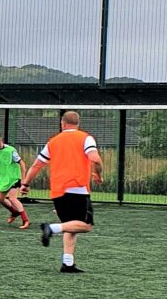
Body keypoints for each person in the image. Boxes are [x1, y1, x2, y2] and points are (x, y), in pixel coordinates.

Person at [18, 111, 103, 273]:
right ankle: (51, 228)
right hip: (77, 189)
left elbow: (36, 165)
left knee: (71, 226)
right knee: (86, 226)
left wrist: (26, 184)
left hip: (58, 191)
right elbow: (95, 158)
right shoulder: (85, 138)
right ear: (78, 123)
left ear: (62, 124)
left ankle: (68, 263)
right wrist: (98, 174)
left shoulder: (53, 142)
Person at [0, 133, 30, 229]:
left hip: (14, 177)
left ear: (0, 140)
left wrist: (23, 179)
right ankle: (14, 212)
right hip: (4, 179)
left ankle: (25, 220)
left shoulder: (11, 151)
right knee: (0, 199)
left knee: (12, 198)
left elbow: (22, 163)